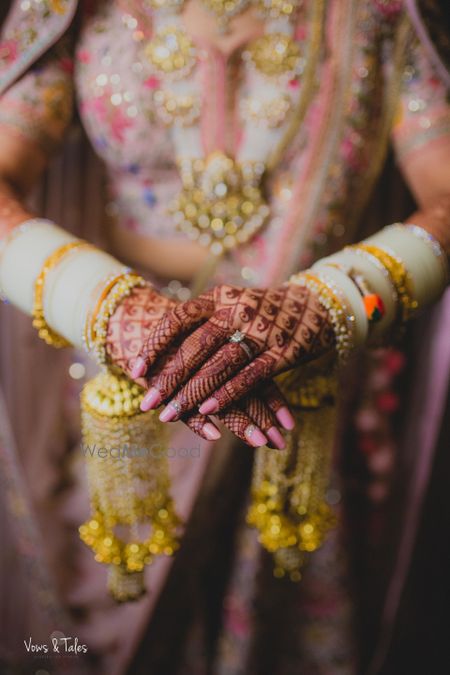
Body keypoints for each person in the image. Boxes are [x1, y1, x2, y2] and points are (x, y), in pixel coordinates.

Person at [0, 0, 449, 673]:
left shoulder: (378, 12)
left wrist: (331, 301)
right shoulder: (72, 8)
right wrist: (108, 307)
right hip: (123, 389)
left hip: (307, 396)